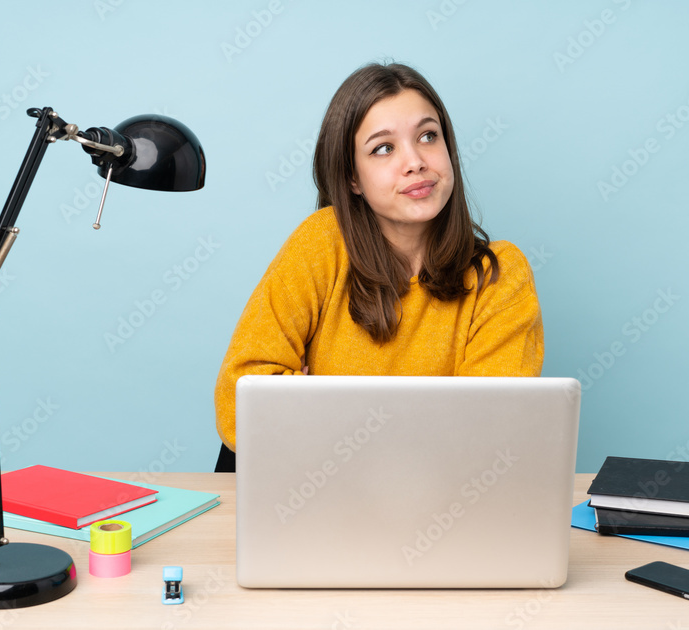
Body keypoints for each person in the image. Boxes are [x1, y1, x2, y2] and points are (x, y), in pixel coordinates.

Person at [215, 62, 543, 455]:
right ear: (352, 178)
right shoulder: (321, 241)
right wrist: (433, 425)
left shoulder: (499, 275)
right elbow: (240, 406)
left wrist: (307, 404)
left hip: (445, 503)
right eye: (383, 148)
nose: (415, 161)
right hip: (314, 495)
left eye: (428, 136)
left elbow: (487, 433)